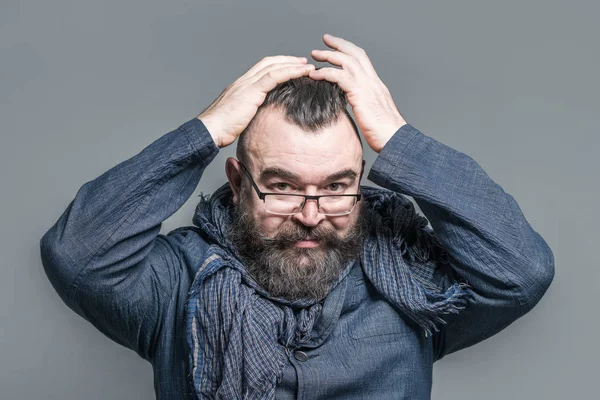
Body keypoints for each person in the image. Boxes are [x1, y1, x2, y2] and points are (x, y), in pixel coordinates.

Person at [40, 34, 555, 399]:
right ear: (239, 183)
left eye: (336, 187)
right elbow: (78, 255)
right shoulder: (178, 282)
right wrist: (207, 129)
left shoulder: (411, 286)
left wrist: (399, 139)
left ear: (359, 181)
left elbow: (521, 273)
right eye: (283, 187)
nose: (311, 216)